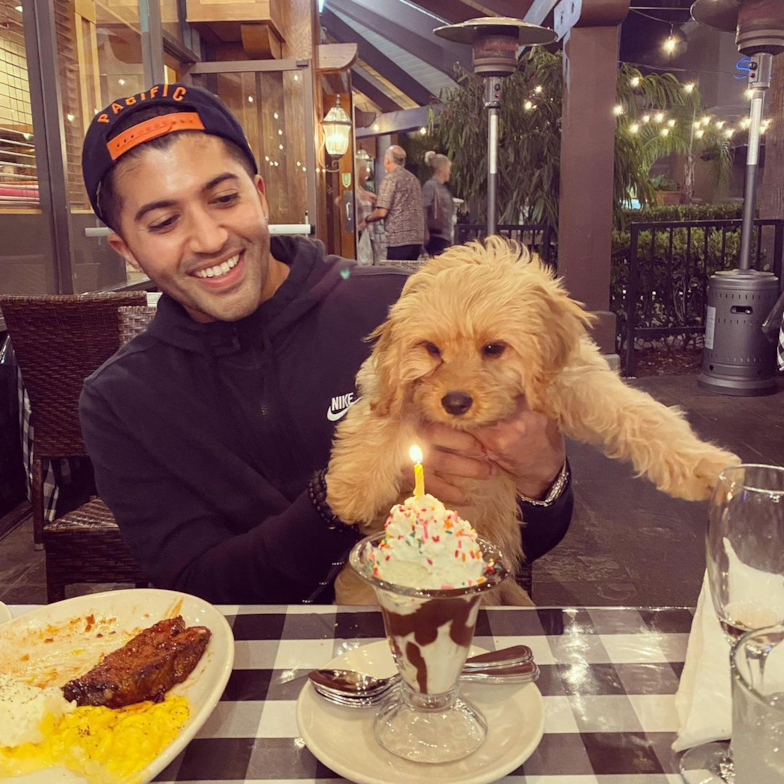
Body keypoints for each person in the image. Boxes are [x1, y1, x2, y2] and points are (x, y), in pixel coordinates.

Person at [78, 83, 573, 604]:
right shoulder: (121, 401)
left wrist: (545, 476)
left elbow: (532, 539)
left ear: (259, 194)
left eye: (225, 198)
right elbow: (198, 589)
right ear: (127, 249)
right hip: (256, 666)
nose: (209, 238)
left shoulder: (405, 314)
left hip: (435, 638)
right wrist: (342, 497)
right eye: (163, 222)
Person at [365, 144, 425, 261]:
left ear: (387, 161)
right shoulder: (414, 179)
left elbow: (382, 212)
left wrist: (367, 219)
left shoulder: (390, 178)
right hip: (416, 239)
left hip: (398, 240)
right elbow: (402, 203)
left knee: (396, 276)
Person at [422, 150, 455, 257]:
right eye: (448, 168)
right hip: (435, 236)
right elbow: (423, 208)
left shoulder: (442, 188)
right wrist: (425, 231)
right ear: (442, 169)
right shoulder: (431, 186)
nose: (449, 172)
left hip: (443, 236)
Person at [355, 155, 386, 265]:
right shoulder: (354, 194)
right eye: (366, 170)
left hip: (369, 237)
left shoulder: (365, 193)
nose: (368, 174)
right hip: (360, 237)